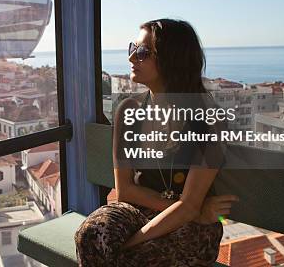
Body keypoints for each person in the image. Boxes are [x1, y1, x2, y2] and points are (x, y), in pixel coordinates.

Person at [75, 18, 239, 266]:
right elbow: (125, 190)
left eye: (142, 53)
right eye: (132, 48)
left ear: (172, 59)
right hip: (147, 211)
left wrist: (129, 245)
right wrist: (187, 208)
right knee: (91, 233)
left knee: (137, 259)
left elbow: (189, 207)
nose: (132, 58)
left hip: (193, 226)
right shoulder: (129, 111)